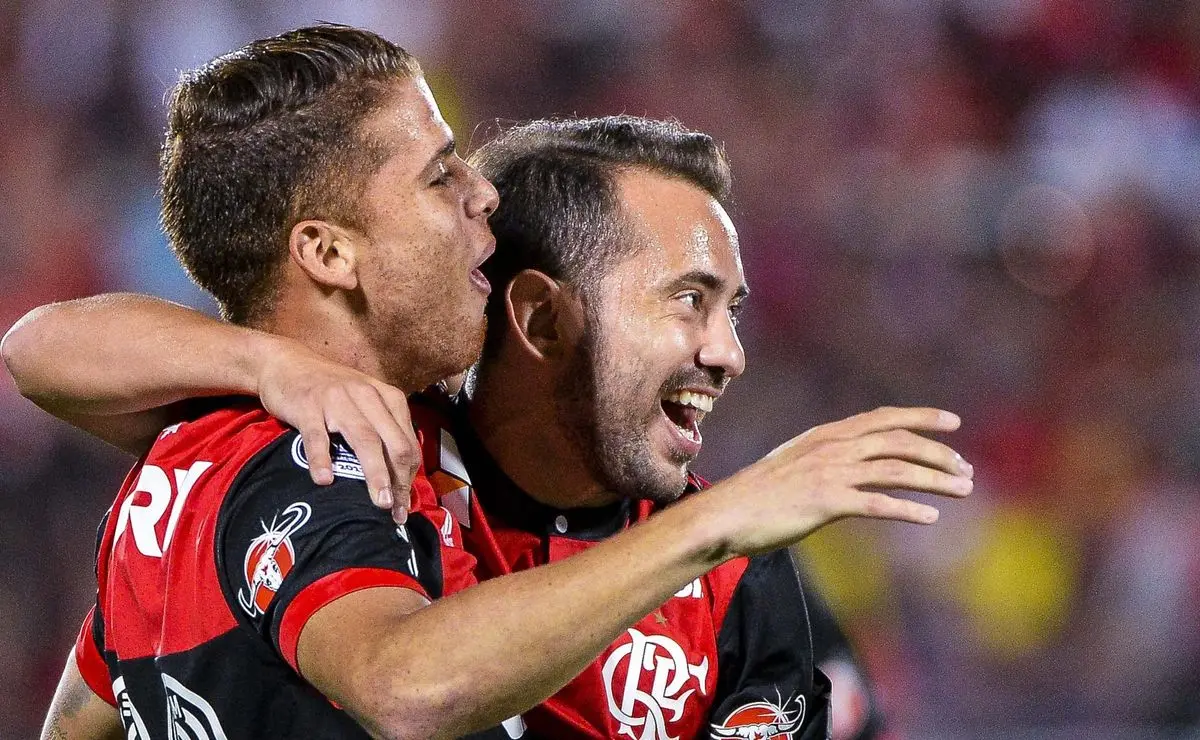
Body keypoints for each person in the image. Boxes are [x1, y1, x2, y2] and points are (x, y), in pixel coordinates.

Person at [3, 33, 974, 740]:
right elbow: (407, 684)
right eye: (438, 175)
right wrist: (719, 523)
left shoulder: (206, 453)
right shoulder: (326, 459)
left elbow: (94, 697)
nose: (481, 195)